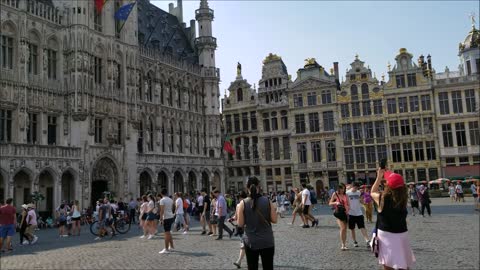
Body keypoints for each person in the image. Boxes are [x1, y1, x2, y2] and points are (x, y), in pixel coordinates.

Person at [371, 169, 416, 270]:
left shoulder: (382, 198)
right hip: (402, 234)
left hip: (386, 235)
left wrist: (378, 177)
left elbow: (372, 192)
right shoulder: (403, 198)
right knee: (403, 264)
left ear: (388, 186)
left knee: (388, 264)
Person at [237, 176, 277, 270]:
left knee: (252, 267)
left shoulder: (243, 203)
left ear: (247, 187)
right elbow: (274, 220)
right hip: (267, 240)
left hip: (251, 241)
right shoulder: (267, 200)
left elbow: (240, 224)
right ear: (259, 186)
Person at [347, 183, 370, 247]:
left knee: (362, 227)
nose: (356, 189)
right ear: (352, 186)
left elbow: (361, 201)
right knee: (352, 229)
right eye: (355, 188)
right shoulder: (347, 193)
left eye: (357, 188)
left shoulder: (359, 192)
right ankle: (354, 241)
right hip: (351, 213)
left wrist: (363, 201)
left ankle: (367, 240)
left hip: (359, 213)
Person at [329, 183, 350, 250]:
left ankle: (344, 244)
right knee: (342, 228)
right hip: (339, 213)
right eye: (341, 188)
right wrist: (336, 203)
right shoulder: (335, 194)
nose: (342, 190)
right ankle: (342, 245)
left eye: (344, 188)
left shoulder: (346, 195)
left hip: (346, 213)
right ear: (338, 188)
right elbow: (330, 203)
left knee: (345, 229)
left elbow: (348, 204)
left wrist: (348, 209)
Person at [232, 191, 248, 269]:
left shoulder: (239, 205)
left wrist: (231, 219)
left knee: (244, 244)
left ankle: (239, 261)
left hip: (242, 227)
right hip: (249, 227)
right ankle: (239, 261)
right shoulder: (250, 203)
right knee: (245, 244)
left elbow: (235, 217)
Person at [158, 189, 175, 254]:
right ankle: (172, 246)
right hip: (171, 216)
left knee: (166, 233)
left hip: (166, 217)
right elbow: (172, 208)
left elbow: (162, 210)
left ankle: (166, 248)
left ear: (161, 194)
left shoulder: (162, 200)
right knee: (168, 232)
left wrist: (160, 219)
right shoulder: (171, 200)